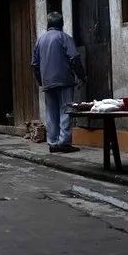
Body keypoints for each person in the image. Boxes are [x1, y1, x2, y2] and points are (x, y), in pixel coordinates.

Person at [32, 12, 87, 153]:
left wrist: (41, 81)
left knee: (51, 114)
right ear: (61, 24)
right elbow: (74, 58)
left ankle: (53, 143)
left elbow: (35, 64)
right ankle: (64, 143)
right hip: (64, 80)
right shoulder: (64, 37)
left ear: (48, 25)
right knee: (66, 111)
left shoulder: (40, 40)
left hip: (47, 82)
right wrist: (81, 76)